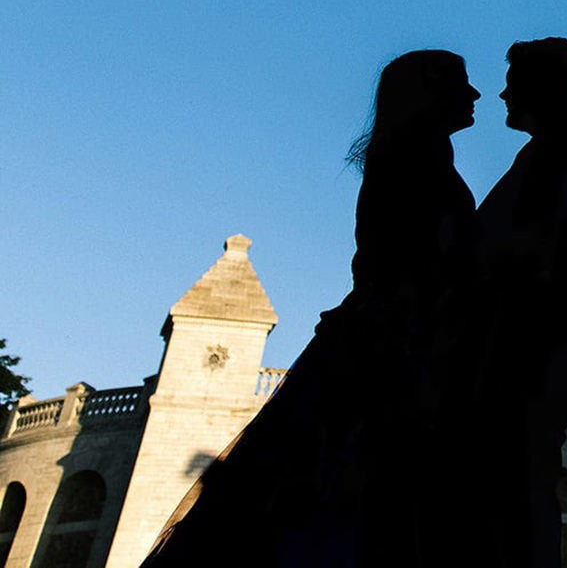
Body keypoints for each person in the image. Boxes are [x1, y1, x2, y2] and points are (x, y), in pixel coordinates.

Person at [145, 50, 481, 568]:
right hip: (395, 344)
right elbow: (419, 263)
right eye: (462, 83)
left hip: (379, 336)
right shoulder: (419, 156)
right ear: (431, 93)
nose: (475, 94)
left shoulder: (412, 153)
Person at [468, 37, 567, 568]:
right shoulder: (543, 155)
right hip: (516, 353)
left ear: (548, 87)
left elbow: (551, 259)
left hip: (525, 355)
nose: (503, 92)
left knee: (518, 500)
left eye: (515, 81)